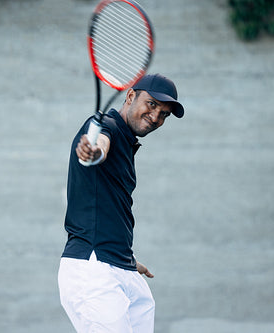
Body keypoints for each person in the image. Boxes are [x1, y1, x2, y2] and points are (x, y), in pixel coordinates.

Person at [58, 73, 184, 332]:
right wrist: (94, 153)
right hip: (94, 271)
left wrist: (125, 257)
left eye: (164, 114)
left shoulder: (127, 143)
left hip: (120, 264)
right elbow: (100, 144)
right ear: (130, 96)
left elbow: (110, 206)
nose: (156, 117)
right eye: (151, 104)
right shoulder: (108, 126)